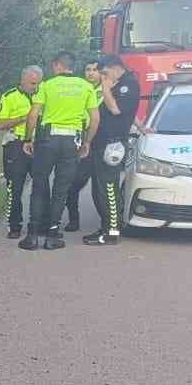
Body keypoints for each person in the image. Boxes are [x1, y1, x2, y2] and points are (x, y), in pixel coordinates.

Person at [19, 52, 99, 251]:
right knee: (61, 189)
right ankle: (53, 235)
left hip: (47, 140)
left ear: (57, 65)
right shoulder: (86, 87)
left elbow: (33, 115)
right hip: (72, 141)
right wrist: (87, 142)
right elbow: (95, 119)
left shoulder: (47, 85)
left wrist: (28, 139)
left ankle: (32, 236)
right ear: (73, 66)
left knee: (39, 185)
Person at [83, 55, 143, 245]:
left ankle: (111, 233)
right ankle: (105, 227)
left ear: (116, 67)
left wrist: (106, 89)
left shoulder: (128, 84)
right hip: (100, 142)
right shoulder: (116, 84)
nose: (102, 76)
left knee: (109, 188)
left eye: (104, 72)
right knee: (98, 189)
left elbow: (117, 110)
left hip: (113, 143)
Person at [0, 65, 41, 238]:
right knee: (14, 187)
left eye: (37, 84)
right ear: (22, 80)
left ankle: (38, 224)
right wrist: (25, 117)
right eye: (31, 83)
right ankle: (14, 226)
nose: (34, 87)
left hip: (38, 145)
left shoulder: (42, 95)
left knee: (41, 186)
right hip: (15, 144)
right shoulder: (9, 97)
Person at [63, 58, 102, 231]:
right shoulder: (78, 88)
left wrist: (141, 126)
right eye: (88, 69)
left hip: (101, 143)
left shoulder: (108, 90)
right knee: (72, 185)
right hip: (81, 142)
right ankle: (74, 220)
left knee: (101, 189)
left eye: (95, 69)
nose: (91, 73)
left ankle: (108, 225)